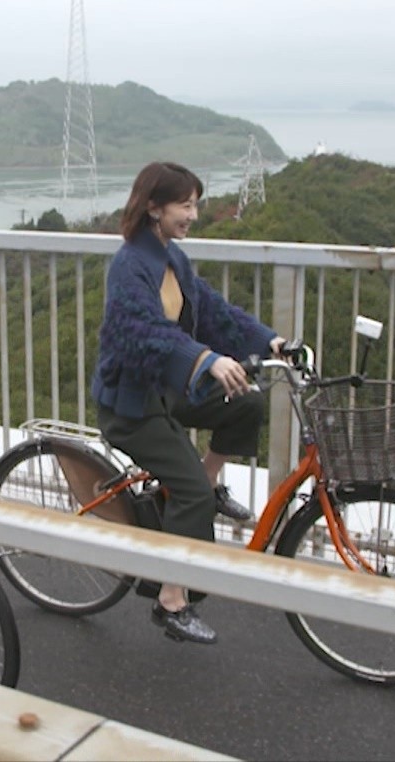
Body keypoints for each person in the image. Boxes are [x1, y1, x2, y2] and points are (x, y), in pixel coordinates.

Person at [91, 161, 285, 645]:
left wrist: (271, 340)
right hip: (131, 406)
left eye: (195, 204)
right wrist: (203, 359)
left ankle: (208, 483)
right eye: (185, 205)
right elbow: (143, 333)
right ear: (154, 207)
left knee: (245, 404)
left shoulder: (171, 258)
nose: (193, 215)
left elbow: (215, 311)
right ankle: (171, 601)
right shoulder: (129, 266)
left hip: (168, 392)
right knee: (190, 492)